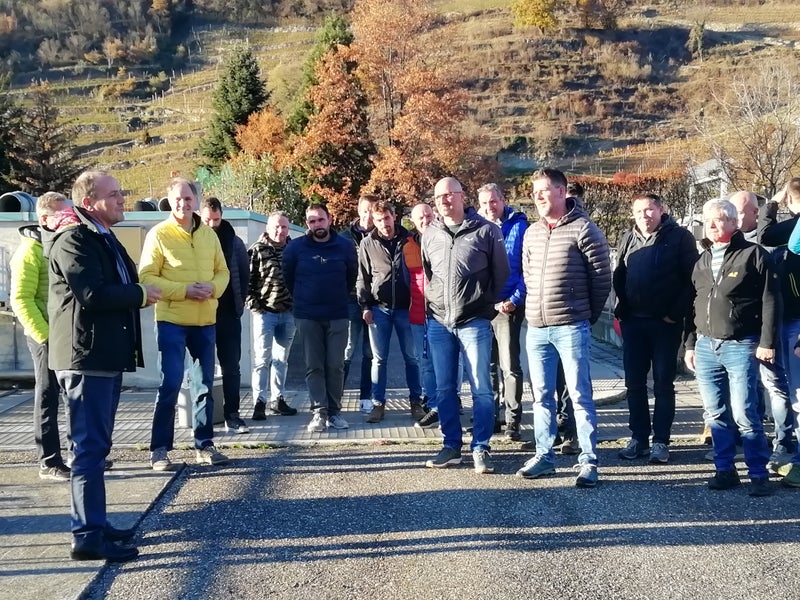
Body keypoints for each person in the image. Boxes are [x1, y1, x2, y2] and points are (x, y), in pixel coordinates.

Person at [46, 170, 160, 562]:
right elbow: (92, 294)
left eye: (120, 192)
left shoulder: (101, 236)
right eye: (113, 194)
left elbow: (119, 280)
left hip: (103, 356)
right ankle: (87, 536)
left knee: (97, 446)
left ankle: (96, 522)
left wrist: (139, 289)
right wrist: (140, 294)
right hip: (86, 358)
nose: (122, 198)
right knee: (89, 448)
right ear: (89, 201)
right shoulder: (74, 239)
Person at [516, 168, 611, 488]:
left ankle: (588, 461)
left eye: (544, 190)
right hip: (537, 328)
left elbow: (601, 278)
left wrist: (584, 315)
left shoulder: (584, 229)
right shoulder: (532, 233)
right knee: (541, 396)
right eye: (535, 192)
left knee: (580, 396)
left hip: (571, 326)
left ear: (561, 191)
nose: (538, 197)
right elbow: (528, 275)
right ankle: (544, 456)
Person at [684, 199, 775, 497]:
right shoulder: (702, 260)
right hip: (706, 346)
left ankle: (758, 474)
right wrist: (690, 344)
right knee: (715, 413)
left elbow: (771, 300)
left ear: (734, 223)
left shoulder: (754, 255)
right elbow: (693, 305)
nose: (712, 225)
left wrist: (767, 342)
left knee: (745, 412)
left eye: (720, 219)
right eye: (708, 219)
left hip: (741, 345)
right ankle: (725, 470)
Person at [139, 178, 230, 471]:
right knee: (170, 384)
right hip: (172, 322)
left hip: (205, 322)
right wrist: (185, 291)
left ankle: (204, 445)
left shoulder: (209, 235)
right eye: (178, 199)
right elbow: (147, 277)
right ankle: (159, 450)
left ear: (195, 200)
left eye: (188, 198)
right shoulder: (158, 234)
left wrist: (213, 288)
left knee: (204, 386)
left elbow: (223, 271)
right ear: (169, 201)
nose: (183, 203)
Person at [421, 177, 510, 474]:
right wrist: (436, 305)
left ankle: (481, 446)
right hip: (439, 322)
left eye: (449, 194)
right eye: (438, 197)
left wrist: (483, 306)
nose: (444, 200)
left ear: (462, 196)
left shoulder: (487, 231)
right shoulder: (430, 233)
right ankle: (451, 446)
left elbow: (501, 273)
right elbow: (430, 274)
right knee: (444, 389)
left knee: (481, 388)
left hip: (474, 321)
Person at [613, 192, 698, 463]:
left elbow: (692, 280)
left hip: (665, 324)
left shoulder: (680, 237)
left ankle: (661, 441)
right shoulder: (628, 238)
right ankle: (638, 438)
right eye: (638, 211)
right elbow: (619, 274)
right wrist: (621, 308)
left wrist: (674, 314)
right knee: (634, 384)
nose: (644, 216)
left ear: (662, 210)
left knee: (663, 383)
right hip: (633, 323)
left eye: (649, 210)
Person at [10, 192, 71, 481]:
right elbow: (21, 299)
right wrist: (45, 336)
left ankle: (77, 453)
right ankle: (49, 461)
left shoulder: (59, 244)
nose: (69, 218)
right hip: (45, 336)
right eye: (63, 214)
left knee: (72, 395)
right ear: (45, 219)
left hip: (65, 333)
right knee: (47, 397)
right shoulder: (29, 252)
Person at [730, 190, 793, 470]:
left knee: (775, 385)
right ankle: (749, 441)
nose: (735, 217)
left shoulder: (774, 240)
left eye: (741, 211)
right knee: (746, 387)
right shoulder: (729, 242)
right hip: (742, 330)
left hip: (771, 327)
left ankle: (783, 444)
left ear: (757, 212)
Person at [282, 203, 356, 433]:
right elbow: (288, 278)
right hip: (307, 316)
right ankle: (319, 413)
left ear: (330, 219)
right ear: (307, 224)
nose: (317, 225)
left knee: (335, 365)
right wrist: (305, 299)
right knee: (314, 366)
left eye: (321, 219)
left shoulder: (345, 246)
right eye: (312, 221)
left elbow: (351, 277)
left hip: (337, 314)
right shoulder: (295, 248)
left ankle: (334, 412)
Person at [357, 200, 424, 423]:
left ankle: (416, 402)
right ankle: (378, 404)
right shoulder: (368, 243)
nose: (384, 223)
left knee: (412, 358)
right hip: (379, 309)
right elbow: (363, 277)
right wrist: (365, 306)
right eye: (379, 220)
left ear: (394, 216)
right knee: (379, 360)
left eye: (387, 218)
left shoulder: (410, 239)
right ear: (373, 221)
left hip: (407, 308)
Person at [477, 183, 527, 442]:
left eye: (493, 201)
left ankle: (512, 421)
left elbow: (527, 267)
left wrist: (515, 299)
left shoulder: (519, 226)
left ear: (503, 200)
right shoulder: (475, 227)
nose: (489, 207)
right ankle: (490, 418)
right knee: (487, 367)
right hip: (483, 307)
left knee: (510, 366)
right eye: (484, 203)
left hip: (509, 306)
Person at [761, 178, 800, 486]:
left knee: (797, 394)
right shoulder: (794, 228)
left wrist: (771, 204)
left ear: (789, 198)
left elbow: (765, 234)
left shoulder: (796, 227)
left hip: (796, 323)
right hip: (787, 320)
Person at [199, 197, 250, 434]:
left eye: (216, 219)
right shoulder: (193, 240)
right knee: (203, 369)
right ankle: (204, 418)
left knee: (231, 367)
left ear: (222, 216)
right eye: (207, 220)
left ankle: (233, 414)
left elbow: (244, 275)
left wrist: (238, 304)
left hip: (228, 313)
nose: (212, 224)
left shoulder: (234, 242)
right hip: (200, 314)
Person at [246, 211, 298, 419]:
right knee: (262, 359)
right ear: (267, 228)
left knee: (281, 359)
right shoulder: (257, 250)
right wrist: (255, 307)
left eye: (284, 227)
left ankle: (278, 399)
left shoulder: (294, 250)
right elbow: (248, 281)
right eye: (276, 226)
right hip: (265, 313)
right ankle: (259, 402)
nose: (280, 231)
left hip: (289, 313)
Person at [341, 195, 376, 411]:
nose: (368, 215)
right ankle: (336, 396)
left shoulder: (381, 235)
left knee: (370, 352)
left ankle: (366, 396)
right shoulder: (344, 237)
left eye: (372, 210)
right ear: (359, 210)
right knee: (347, 349)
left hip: (375, 301)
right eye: (365, 210)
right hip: (351, 300)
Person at [406, 202, 439, 428]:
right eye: (420, 217)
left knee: (448, 362)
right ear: (413, 222)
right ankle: (433, 402)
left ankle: (450, 401)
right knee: (425, 362)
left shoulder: (444, 239)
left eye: (428, 215)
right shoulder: (407, 246)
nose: (425, 220)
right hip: (417, 313)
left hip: (441, 313)